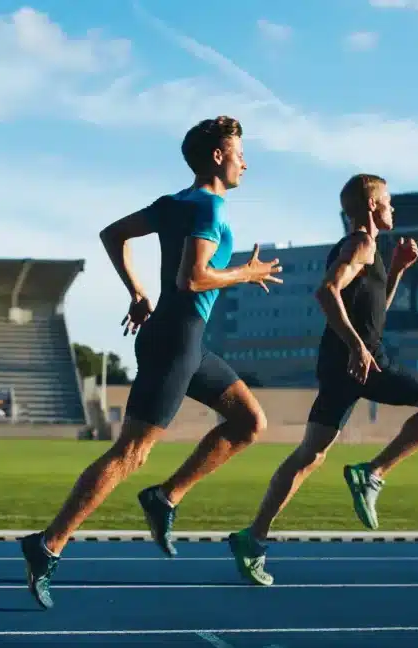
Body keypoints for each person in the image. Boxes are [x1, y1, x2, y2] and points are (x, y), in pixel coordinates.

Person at [19, 116, 283, 609]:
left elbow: (111, 233)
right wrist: (245, 273)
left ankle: (165, 497)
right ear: (218, 157)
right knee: (130, 455)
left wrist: (137, 290)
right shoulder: (208, 208)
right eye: (239, 152)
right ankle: (47, 545)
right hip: (175, 342)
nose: (246, 161)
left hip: (184, 340)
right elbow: (193, 279)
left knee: (250, 421)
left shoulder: (174, 203)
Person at [227, 173, 418, 586]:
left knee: (309, 455)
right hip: (364, 363)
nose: (393, 209)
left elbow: (371, 315)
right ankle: (372, 473)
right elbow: (326, 292)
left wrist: (400, 271)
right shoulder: (362, 243)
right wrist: (357, 347)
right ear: (372, 206)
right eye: (388, 202)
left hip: (339, 364)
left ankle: (253, 539)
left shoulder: (365, 250)